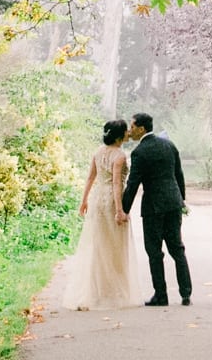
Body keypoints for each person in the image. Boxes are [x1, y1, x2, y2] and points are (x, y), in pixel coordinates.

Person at [62, 119, 142, 310]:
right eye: (125, 131)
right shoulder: (120, 156)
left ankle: (95, 291)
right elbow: (116, 183)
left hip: (97, 199)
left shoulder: (98, 152)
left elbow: (90, 177)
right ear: (119, 135)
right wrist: (120, 210)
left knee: (98, 244)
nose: (128, 134)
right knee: (113, 246)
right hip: (111, 201)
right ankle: (110, 292)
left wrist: (84, 200)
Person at [121, 111, 192, 306]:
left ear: (141, 128)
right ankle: (186, 294)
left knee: (154, 251)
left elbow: (133, 184)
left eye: (133, 126)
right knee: (177, 249)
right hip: (173, 203)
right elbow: (179, 175)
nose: (130, 130)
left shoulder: (139, 152)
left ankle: (161, 295)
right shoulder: (169, 145)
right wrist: (181, 200)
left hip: (153, 207)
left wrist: (123, 209)